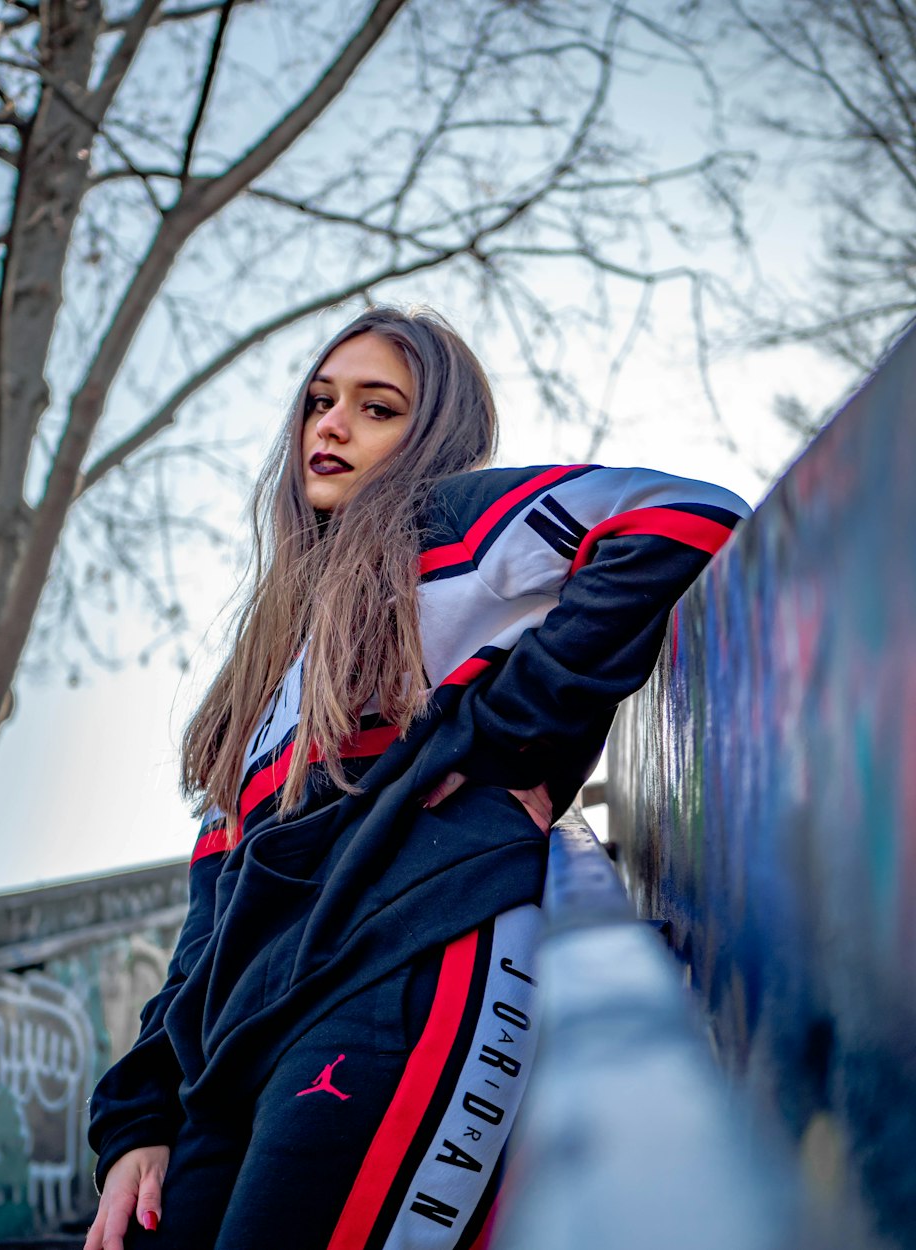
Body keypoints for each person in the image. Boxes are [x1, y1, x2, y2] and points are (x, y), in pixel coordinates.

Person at [85, 306, 751, 1250]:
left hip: (411, 962)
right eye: (320, 401)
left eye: (377, 406)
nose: (332, 424)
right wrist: (139, 1111)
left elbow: (689, 519)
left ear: (431, 431)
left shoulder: (451, 529)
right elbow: (215, 911)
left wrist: (503, 736)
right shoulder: (269, 662)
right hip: (238, 1044)